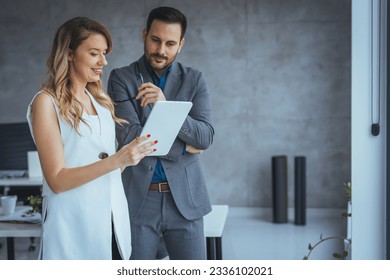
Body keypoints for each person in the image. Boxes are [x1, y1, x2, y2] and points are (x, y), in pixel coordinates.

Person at [26, 17, 157, 260]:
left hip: (113, 223)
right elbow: (56, 180)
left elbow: (108, 168)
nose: (103, 62)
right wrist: (118, 160)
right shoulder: (46, 103)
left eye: (104, 53)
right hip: (72, 226)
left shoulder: (101, 103)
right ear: (69, 54)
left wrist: (130, 157)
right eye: (94, 53)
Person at [107, 6, 215, 260]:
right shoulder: (121, 78)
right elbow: (130, 138)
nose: (161, 50)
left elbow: (205, 137)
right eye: (155, 40)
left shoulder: (195, 79)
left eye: (170, 43)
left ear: (181, 44)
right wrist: (187, 147)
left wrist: (165, 108)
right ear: (144, 34)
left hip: (185, 200)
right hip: (139, 201)